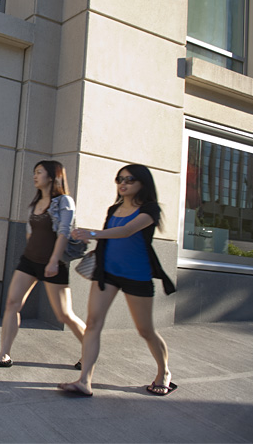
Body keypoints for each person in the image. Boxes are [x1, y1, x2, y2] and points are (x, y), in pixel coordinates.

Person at [58, 164, 177, 397]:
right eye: (120, 179)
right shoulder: (113, 209)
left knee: (145, 330)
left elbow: (127, 231)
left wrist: (92, 233)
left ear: (143, 183)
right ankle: (84, 381)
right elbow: (109, 238)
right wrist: (84, 237)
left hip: (137, 275)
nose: (123, 183)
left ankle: (163, 372)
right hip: (108, 273)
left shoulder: (151, 210)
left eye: (130, 179)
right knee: (93, 323)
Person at [0, 160, 86, 369]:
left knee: (64, 314)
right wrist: (32, 258)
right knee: (12, 304)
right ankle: (4, 355)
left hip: (54, 263)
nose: (34, 176)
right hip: (29, 262)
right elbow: (30, 234)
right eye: (34, 172)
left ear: (52, 176)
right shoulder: (34, 204)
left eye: (39, 172)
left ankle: (90, 349)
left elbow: (64, 233)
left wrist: (54, 261)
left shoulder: (64, 201)